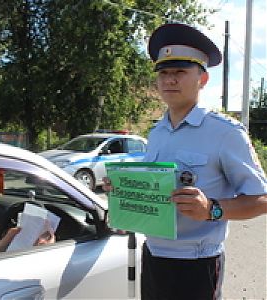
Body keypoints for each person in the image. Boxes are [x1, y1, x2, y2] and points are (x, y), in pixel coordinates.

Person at [104, 22, 267, 300]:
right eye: (164, 73)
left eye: (180, 71)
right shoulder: (157, 133)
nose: (170, 80)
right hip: (154, 256)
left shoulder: (225, 133)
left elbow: (261, 198)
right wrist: (125, 189)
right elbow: (156, 193)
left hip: (197, 264)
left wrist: (211, 209)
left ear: (202, 79)